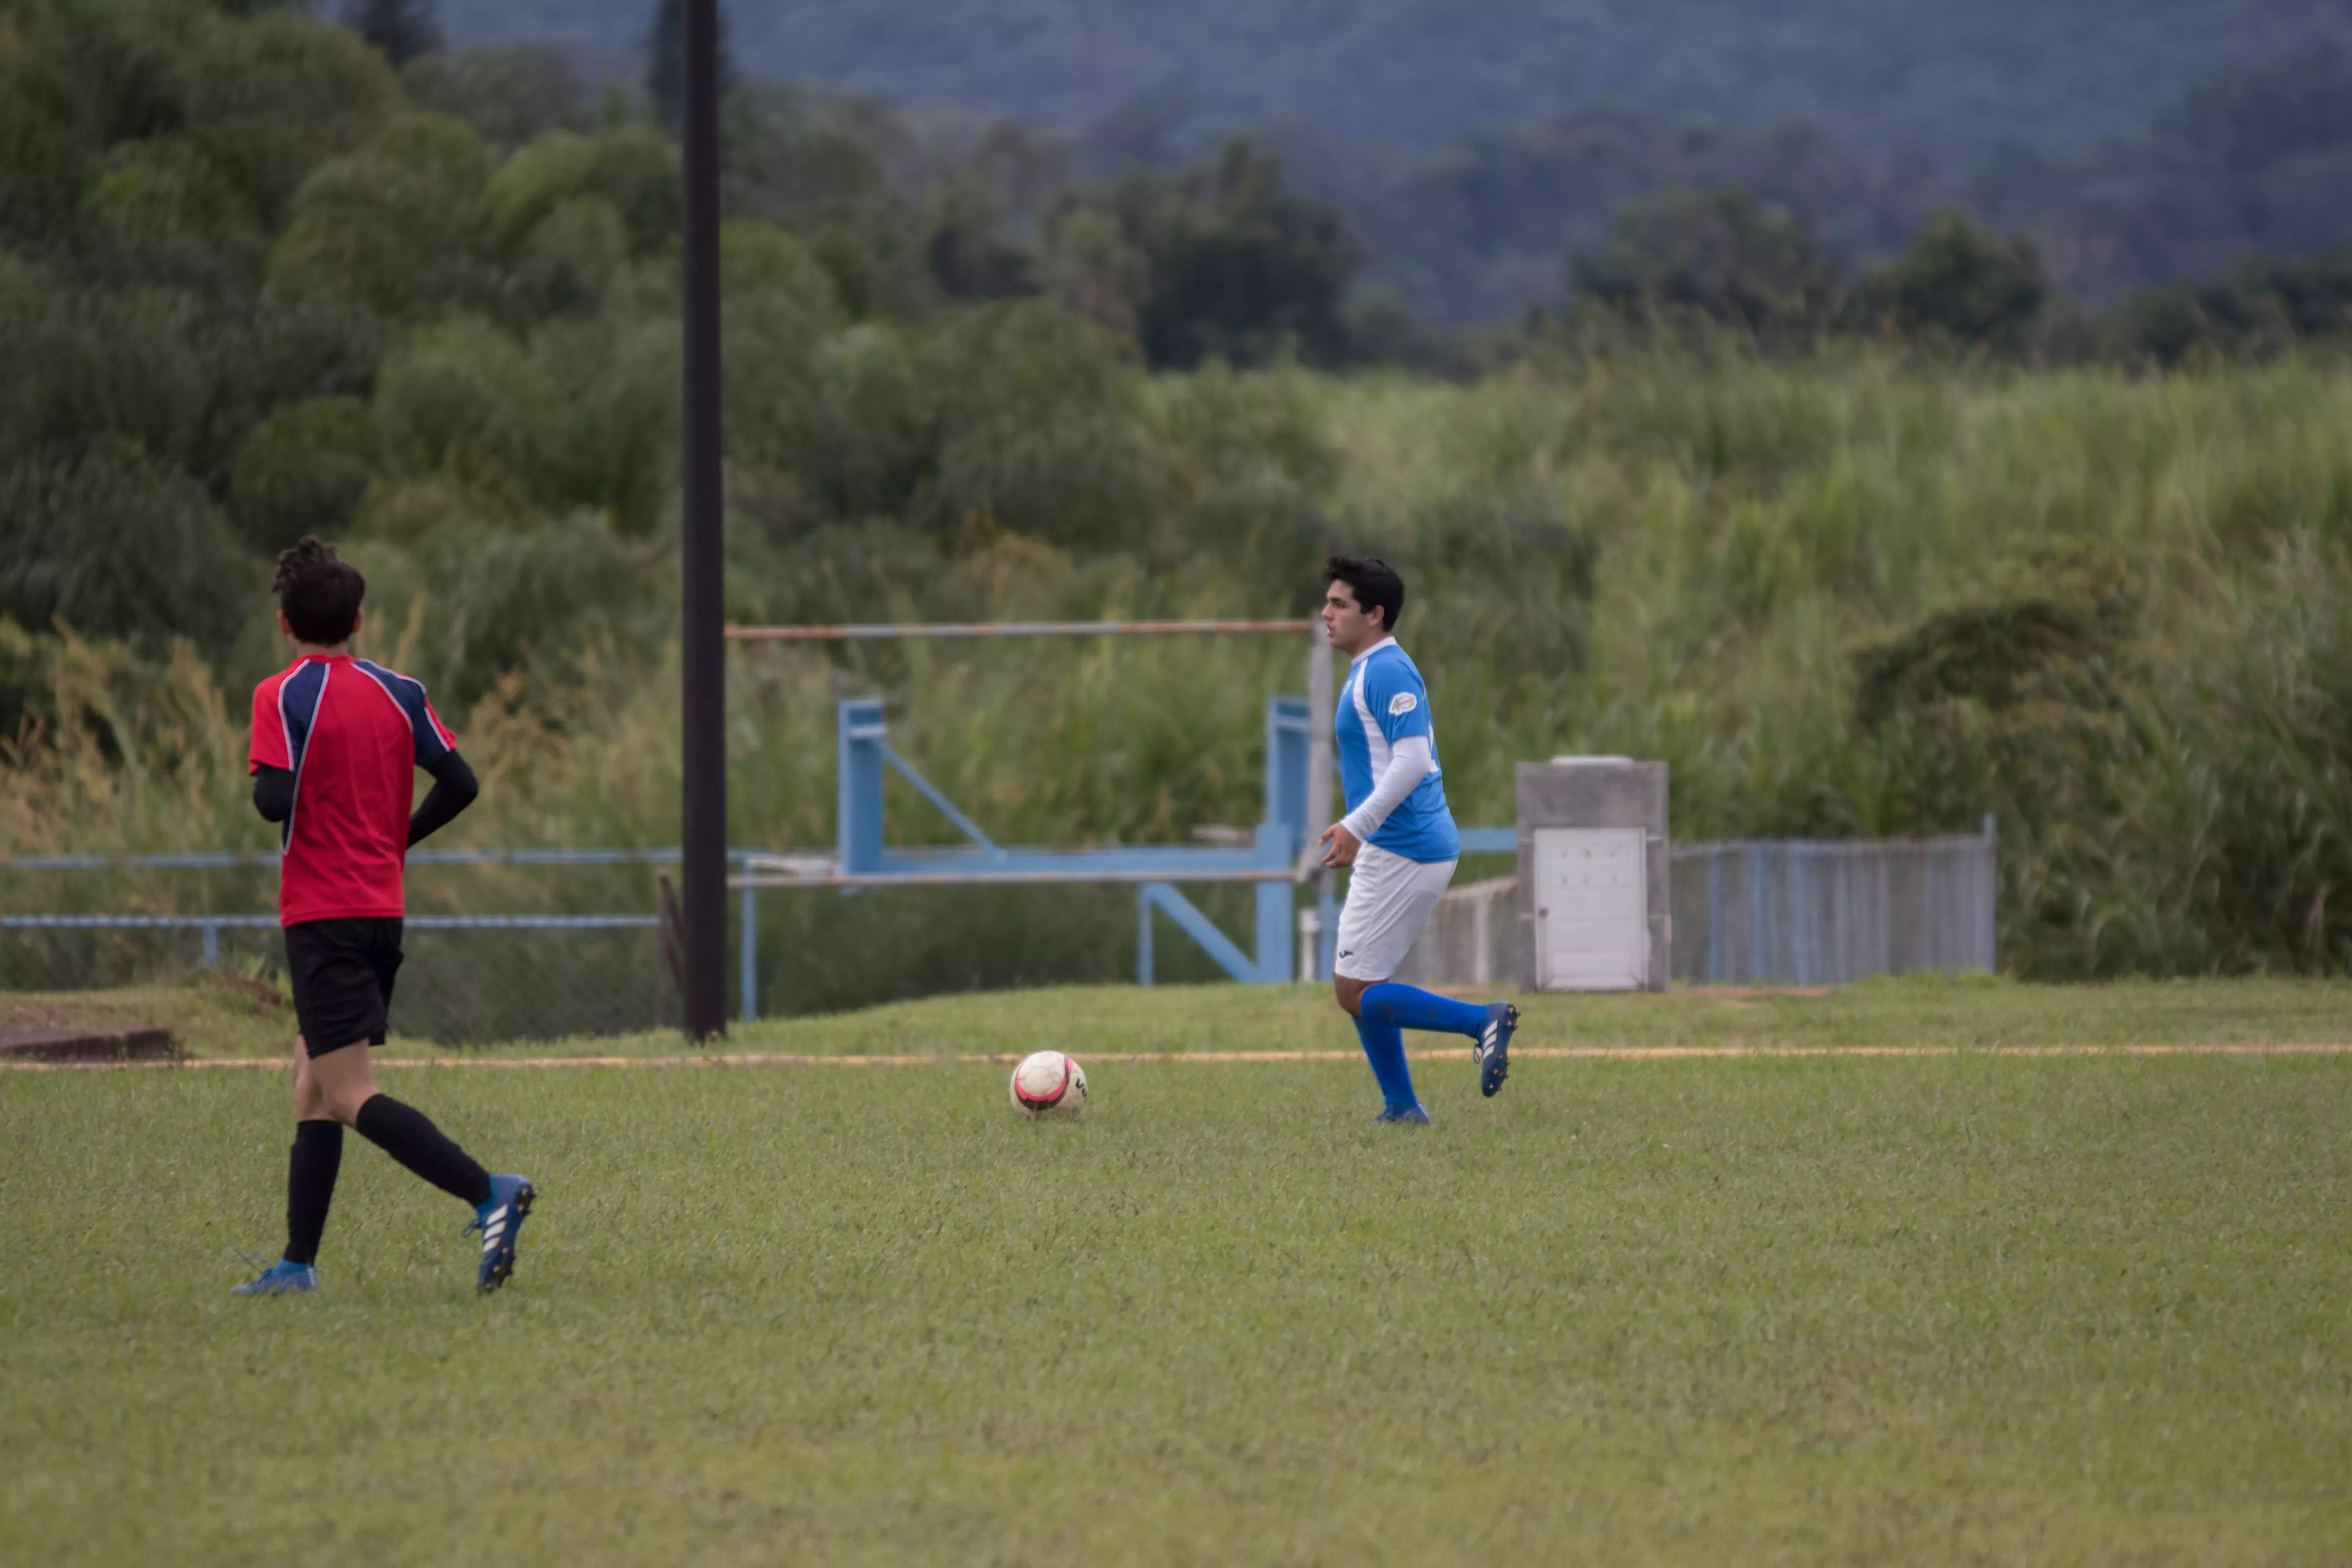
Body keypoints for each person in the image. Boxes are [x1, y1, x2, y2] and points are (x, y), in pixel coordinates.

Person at [231, 538, 535, 1296]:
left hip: (323, 914)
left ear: (284, 624)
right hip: (380, 913)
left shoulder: (282, 694)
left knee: (346, 1091)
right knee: (312, 1082)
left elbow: (272, 800)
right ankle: (298, 1265)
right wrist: (395, 836)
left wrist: (291, 781)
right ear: (359, 620)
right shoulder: (401, 691)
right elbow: (459, 783)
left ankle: (488, 1190)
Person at [1315, 555, 1518, 1123]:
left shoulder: (1385, 671)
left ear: (1375, 614)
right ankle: (1401, 1107)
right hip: (1400, 844)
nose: (1326, 613)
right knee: (1361, 981)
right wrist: (1362, 826)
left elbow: (1412, 760)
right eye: (1328, 601)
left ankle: (1480, 1022)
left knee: (1354, 989)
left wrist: (1358, 824)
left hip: (1406, 847)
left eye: (1339, 604)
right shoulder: (1371, 668)